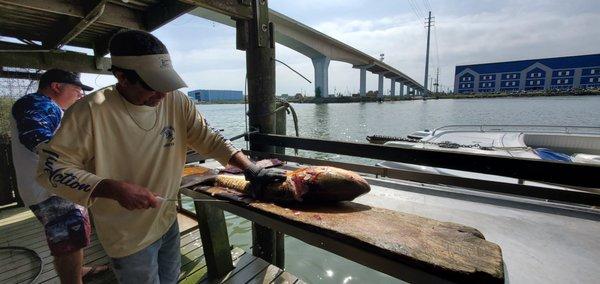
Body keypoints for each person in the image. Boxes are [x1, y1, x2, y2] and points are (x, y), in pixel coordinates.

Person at [35, 30, 285, 283]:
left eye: (166, 84)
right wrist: (113, 188)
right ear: (121, 76)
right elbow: (51, 170)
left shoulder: (176, 100)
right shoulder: (89, 111)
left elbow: (210, 138)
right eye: (153, 86)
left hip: (166, 220)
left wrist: (250, 169)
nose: (162, 94)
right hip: (127, 235)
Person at [10, 69, 108, 283]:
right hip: (52, 190)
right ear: (57, 86)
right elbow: (38, 139)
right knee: (68, 242)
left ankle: (78, 271)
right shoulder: (37, 103)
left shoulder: (49, 107)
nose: (80, 95)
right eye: (77, 90)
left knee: (73, 237)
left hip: (56, 186)